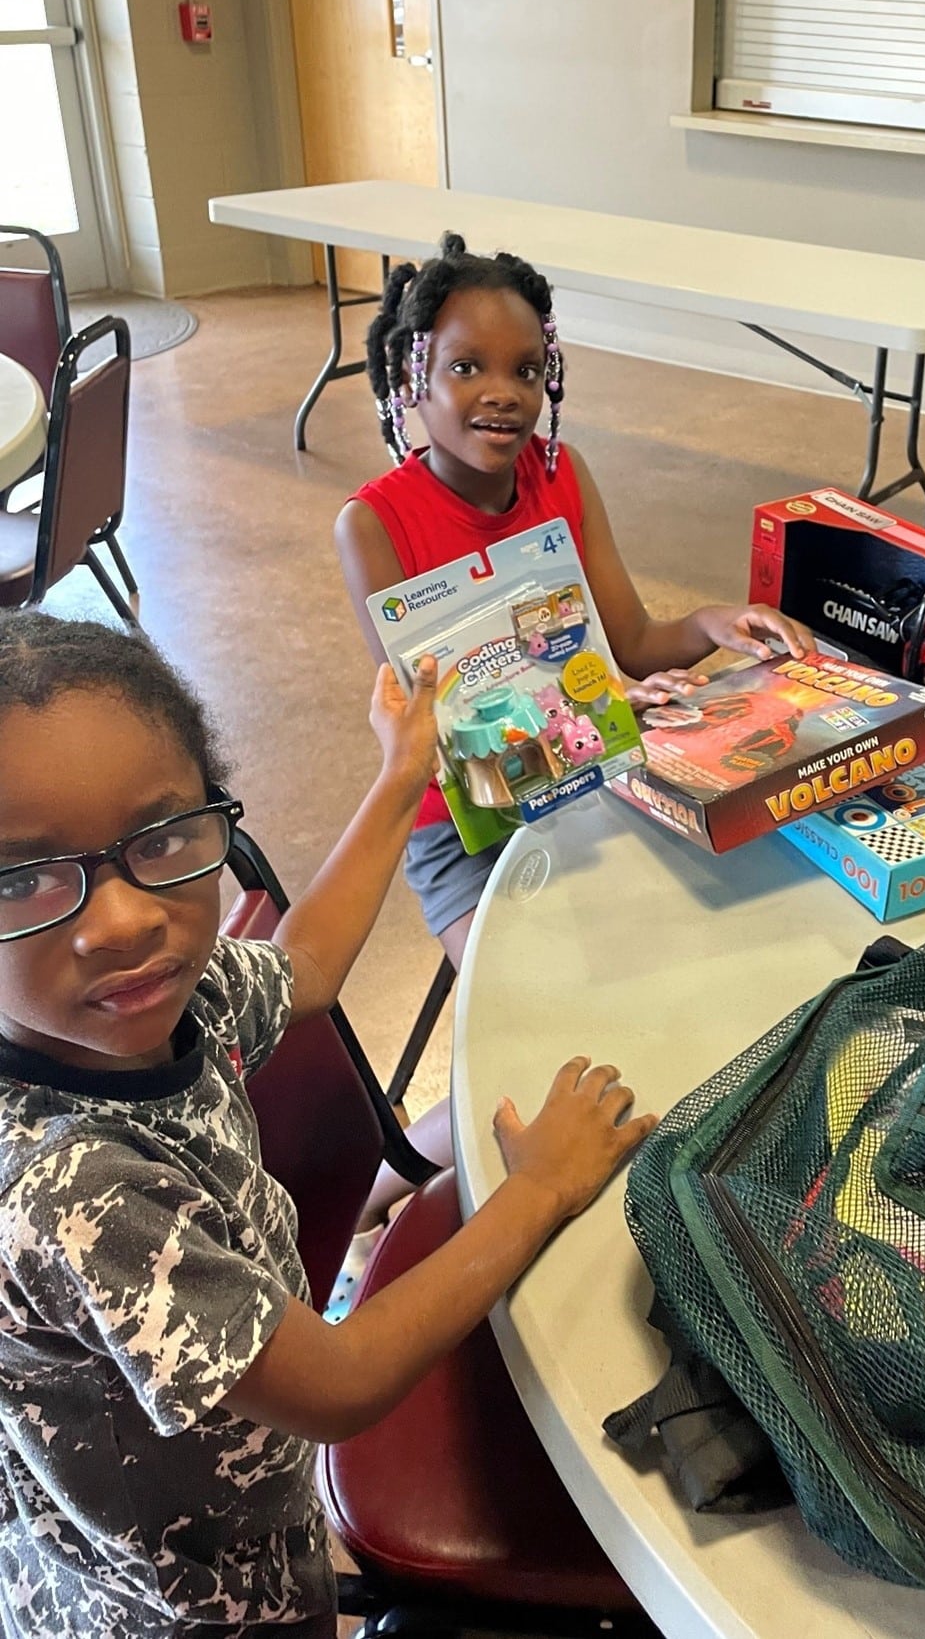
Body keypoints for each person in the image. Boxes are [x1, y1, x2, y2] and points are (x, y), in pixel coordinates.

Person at [0, 611, 654, 1639]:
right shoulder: (72, 1188)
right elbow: (340, 1384)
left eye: (161, 838)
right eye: (20, 876)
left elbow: (298, 970)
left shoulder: (164, 993)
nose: (121, 919)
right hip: (184, 1602)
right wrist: (538, 1187)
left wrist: (400, 774)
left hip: (247, 1505)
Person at [335, 234, 813, 976]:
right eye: (466, 367)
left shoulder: (562, 474)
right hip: (469, 829)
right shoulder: (371, 526)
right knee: (531, 993)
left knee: (695, 941)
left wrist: (715, 622)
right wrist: (602, 703)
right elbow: (443, 726)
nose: (503, 392)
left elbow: (634, 642)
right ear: (411, 375)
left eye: (526, 369)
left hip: (589, 780)